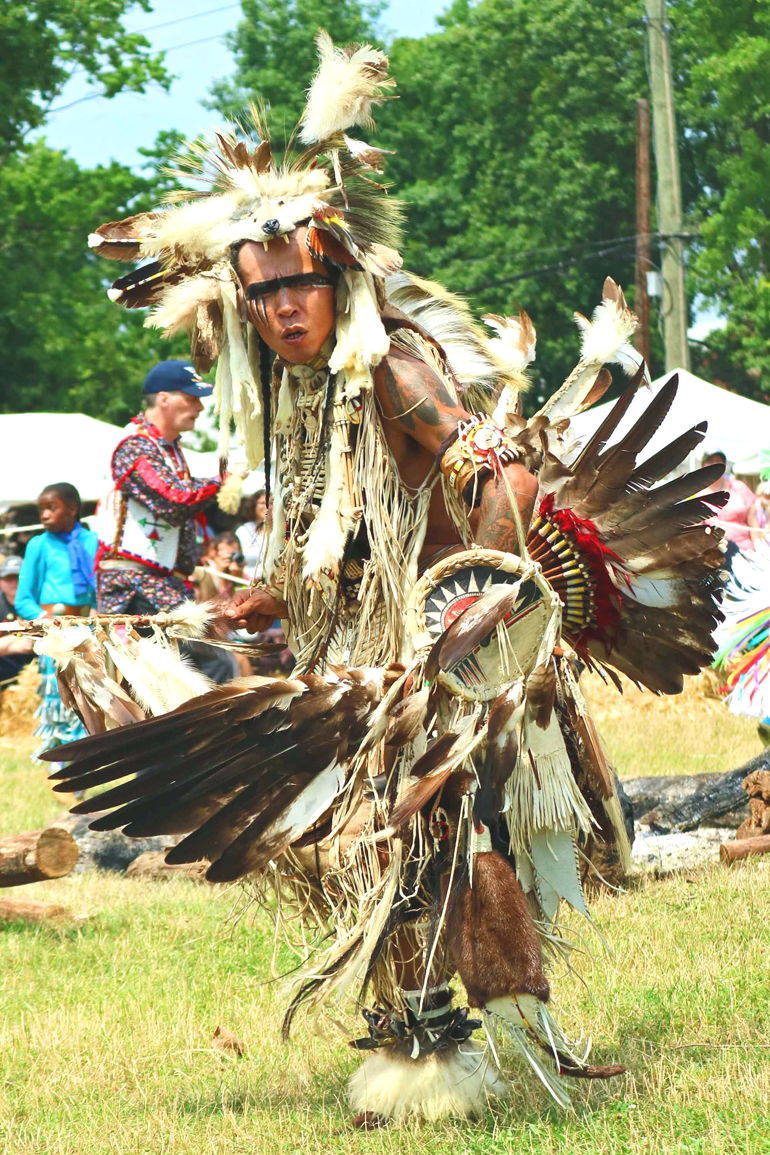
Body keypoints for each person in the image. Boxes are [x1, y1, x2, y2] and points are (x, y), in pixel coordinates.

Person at [67, 34, 725, 1126]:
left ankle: (489, 1058)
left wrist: (483, 595)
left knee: (438, 846)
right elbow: (354, 535)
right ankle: (436, 1054)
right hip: (367, 661)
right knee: (387, 859)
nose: (283, 309)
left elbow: (493, 476)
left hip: (446, 670)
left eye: (299, 288)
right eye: (262, 294)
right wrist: (272, 596)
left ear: (336, 279)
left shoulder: (394, 368)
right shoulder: (300, 394)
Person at [94, 361, 237, 685]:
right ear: (163, 399)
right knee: (207, 659)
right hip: (131, 581)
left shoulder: (166, 448)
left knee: (197, 664)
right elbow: (170, 499)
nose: (200, 407)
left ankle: (191, 732)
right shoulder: (135, 447)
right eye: (191, 398)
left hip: (158, 580)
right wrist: (224, 482)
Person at [15, 483, 98, 753]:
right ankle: (62, 762)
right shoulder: (38, 545)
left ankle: (86, 763)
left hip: (89, 631)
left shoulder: (92, 541)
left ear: (72, 509)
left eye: (52, 508)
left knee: (92, 698)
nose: (44, 515)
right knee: (60, 699)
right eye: (42, 509)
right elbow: (23, 599)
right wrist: (45, 618)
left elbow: (101, 588)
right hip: (54, 633)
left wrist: (98, 613)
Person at [701, 450, 755, 565]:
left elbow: (753, 519)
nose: (715, 465)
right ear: (703, 465)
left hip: (747, 551)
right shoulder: (696, 493)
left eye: (719, 462)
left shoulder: (739, 487)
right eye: (711, 461)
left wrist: (758, 547)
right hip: (715, 556)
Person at [0, 555, 35, 684]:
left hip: (36, 676)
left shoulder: (40, 604)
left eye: (19, 577)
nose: (14, 582)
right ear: (0, 581)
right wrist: (14, 644)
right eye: (8, 578)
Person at [235, 490, 268, 580]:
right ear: (254, 506)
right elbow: (234, 564)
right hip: (248, 584)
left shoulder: (281, 530)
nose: (268, 506)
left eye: (271, 503)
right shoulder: (243, 531)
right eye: (262, 503)